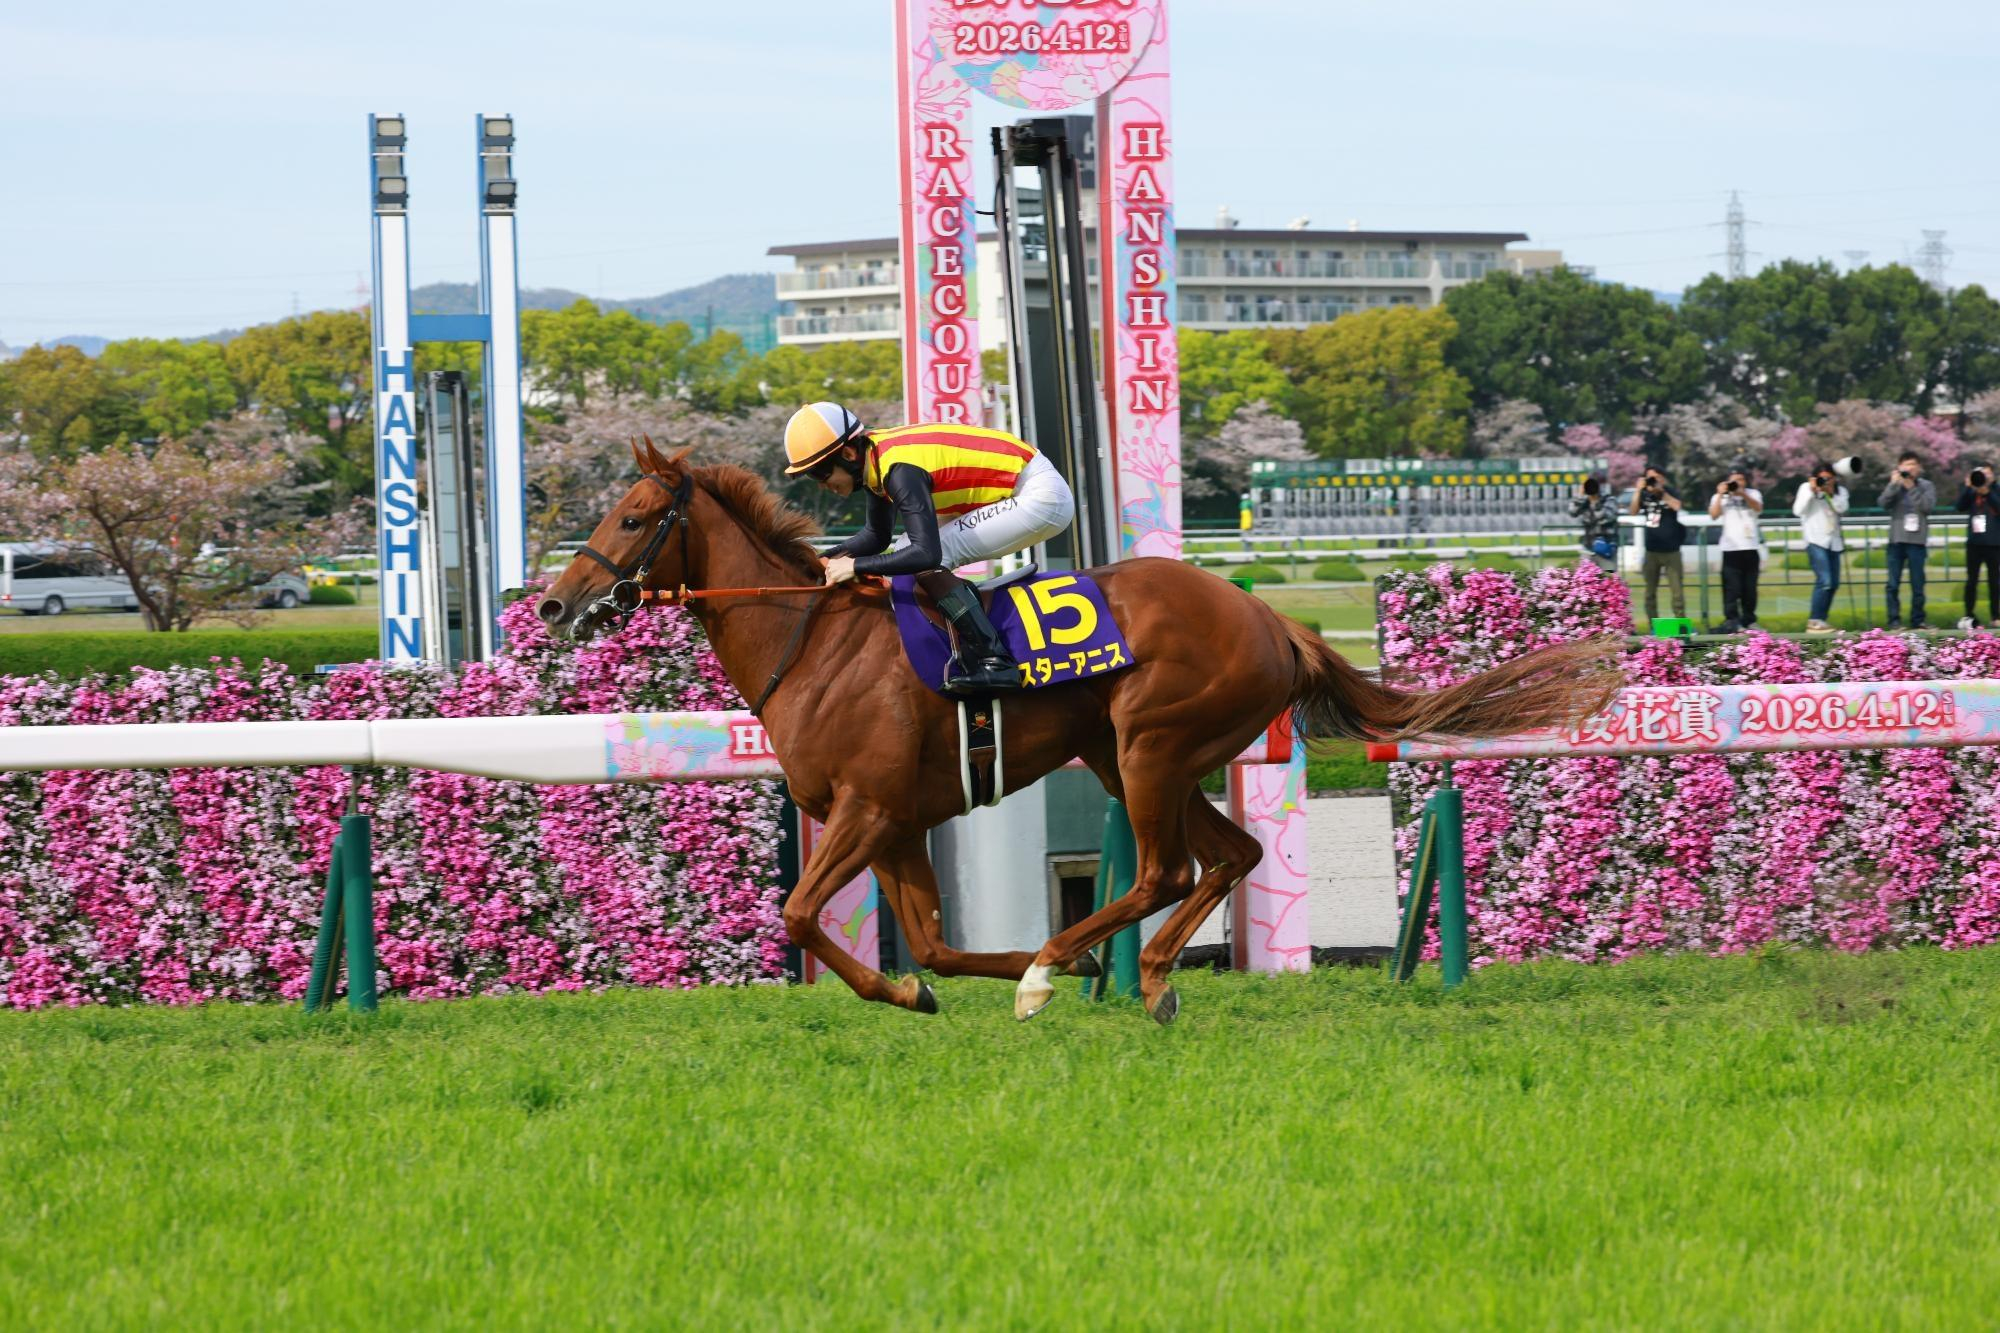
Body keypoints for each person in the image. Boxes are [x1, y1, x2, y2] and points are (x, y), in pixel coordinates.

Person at [784, 402, 1075, 694]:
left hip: (1039, 495)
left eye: (820, 473)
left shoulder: (898, 470)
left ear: (848, 454)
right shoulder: (875, 460)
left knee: (921, 557)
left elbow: (927, 554)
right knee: (904, 546)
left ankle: (996, 661)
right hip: (1021, 485)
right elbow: (876, 536)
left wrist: (855, 566)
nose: (822, 485)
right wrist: (817, 559)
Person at [1879, 450, 1936, 630]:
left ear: (1919, 468)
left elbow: (1926, 507)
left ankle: (1918, 620)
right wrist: (1893, 485)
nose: (1909, 468)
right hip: (1897, 540)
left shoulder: (1926, 486)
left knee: (1918, 583)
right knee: (1892, 584)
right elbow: (1882, 503)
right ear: (1899, 467)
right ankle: (1894, 621)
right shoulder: (1895, 485)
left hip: (1917, 541)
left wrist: (1911, 487)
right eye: (1906, 465)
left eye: (1913, 465)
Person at [1793, 461, 1849, 634]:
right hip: (1815, 539)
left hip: (1834, 541)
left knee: (1833, 584)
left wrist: (1830, 493)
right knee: (1824, 580)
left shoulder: (1840, 491)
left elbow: (1842, 509)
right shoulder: (1805, 488)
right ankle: (1814, 621)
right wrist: (1812, 491)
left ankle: (1821, 620)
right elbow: (1798, 510)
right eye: (1822, 478)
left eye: (1829, 478)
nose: (1825, 481)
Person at [1706, 467, 1764, 632]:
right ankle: (1732, 620)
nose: (1737, 483)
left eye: (1741, 480)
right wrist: (1719, 495)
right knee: (1732, 588)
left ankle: (1749, 620)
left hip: (1750, 547)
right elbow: (1714, 514)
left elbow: (1758, 508)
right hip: (1731, 549)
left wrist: (1742, 494)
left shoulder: (1753, 494)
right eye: (1734, 480)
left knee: (1750, 588)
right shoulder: (1721, 497)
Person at [1628, 466, 1686, 625]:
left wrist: (1662, 492)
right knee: (1650, 591)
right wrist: (1638, 490)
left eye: (1656, 477)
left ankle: (1680, 624)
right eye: (1650, 478)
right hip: (1651, 549)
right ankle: (1653, 624)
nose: (1653, 481)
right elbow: (1632, 512)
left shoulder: (1670, 491)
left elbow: (1677, 506)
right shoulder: (1644, 494)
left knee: (1677, 592)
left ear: (1663, 478)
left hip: (1672, 550)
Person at [1957, 464, 2000, 630]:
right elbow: (1959, 506)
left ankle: (1995, 615)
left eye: (1987, 474)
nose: (1983, 478)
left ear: (1993, 476)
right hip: (1974, 542)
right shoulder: (1971, 490)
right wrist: (1968, 487)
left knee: (1994, 581)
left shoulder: (1996, 489)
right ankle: (1969, 614)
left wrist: (1988, 493)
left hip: (1994, 543)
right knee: (1971, 581)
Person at [1568, 477, 1619, 571]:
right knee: (1586, 580)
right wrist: (1580, 495)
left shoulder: (1609, 499)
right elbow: (1572, 512)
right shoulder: (1583, 501)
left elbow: (1605, 517)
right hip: (1588, 546)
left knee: (1608, 579)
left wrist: (1595, 501)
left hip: (1606, 546)